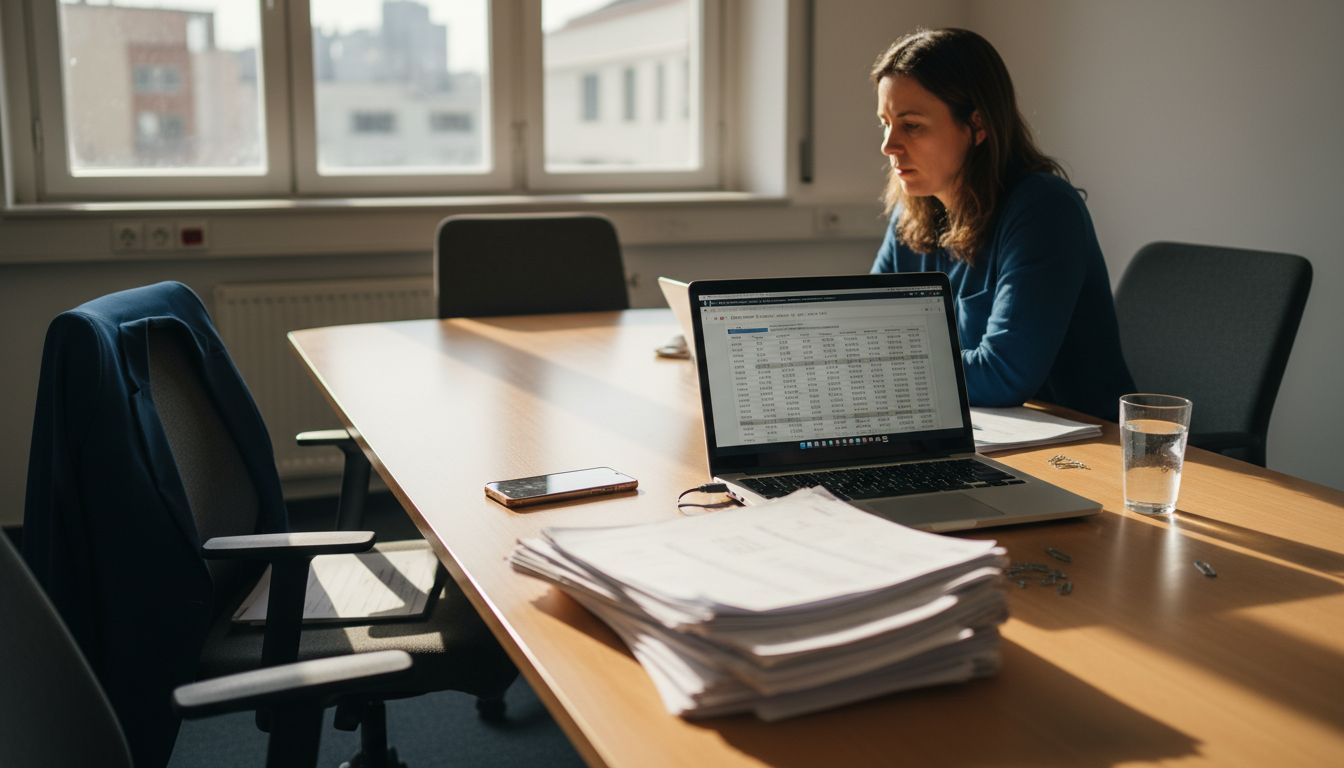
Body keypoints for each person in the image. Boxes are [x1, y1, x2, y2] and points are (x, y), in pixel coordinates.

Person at [869, 28, 1134, 421]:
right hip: (970, 428)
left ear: (977, 126)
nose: (888, 146)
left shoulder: (1044, 210)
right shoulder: (911, 212)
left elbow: (1003, 375)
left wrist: (882, 370)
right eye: (885, 123)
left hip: (1080, 449)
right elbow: (867, 337)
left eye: (912, 125)